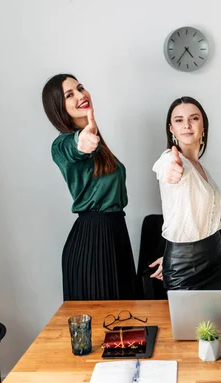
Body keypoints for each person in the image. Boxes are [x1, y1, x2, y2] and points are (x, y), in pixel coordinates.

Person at [42, 74, 136, 300]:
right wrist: (80, 142)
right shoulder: (62, 144)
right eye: (69, 95)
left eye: (80, 88)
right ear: (59, 107)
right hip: (94, 240)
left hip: (115, 234)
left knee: (126, 322)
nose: (81, 95)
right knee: (102, 326)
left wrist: (90, 137)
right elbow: (71, 148)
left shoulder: (98, 142)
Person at [149, 97, 221, 290]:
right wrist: (170, 172)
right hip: (184, 268)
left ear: (203, 126)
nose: (186, 125)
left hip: (215, 258)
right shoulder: (171, 160)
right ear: (171, 129)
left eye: (194, 118)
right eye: (179, 120)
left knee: (213, 321)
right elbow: (165, 168)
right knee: (189, 322)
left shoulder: (201, 168)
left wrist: (168, 255)